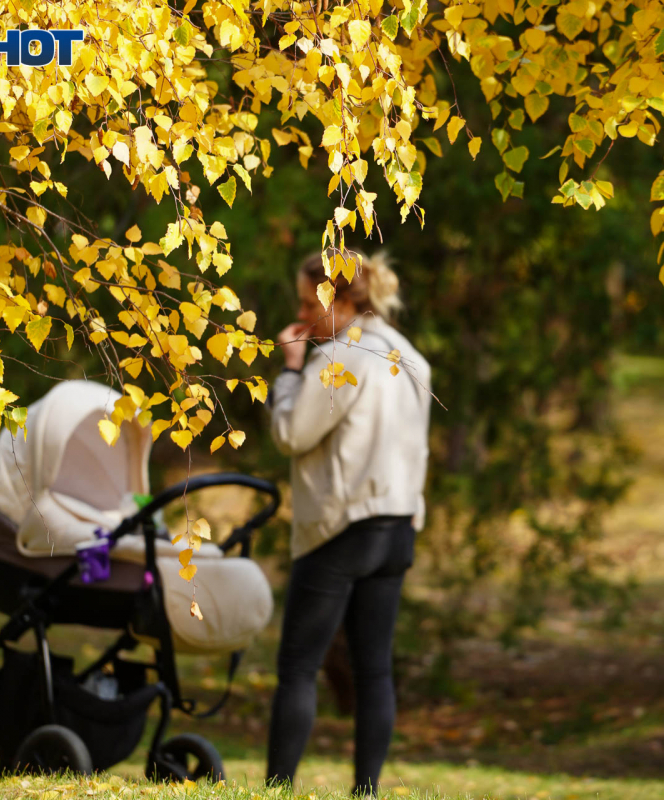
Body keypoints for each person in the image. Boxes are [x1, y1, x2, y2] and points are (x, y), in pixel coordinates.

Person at [266, 248, 432, 796]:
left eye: (306, 302)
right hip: (397, 525)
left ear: (333, 298)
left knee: (298, 664)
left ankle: (277, 789)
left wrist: (290, 370)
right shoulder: (408, 356)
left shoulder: (343, 357)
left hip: (341, 529)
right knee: (374, 669)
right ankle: (366, 791)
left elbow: (292, 433)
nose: (303, 313)